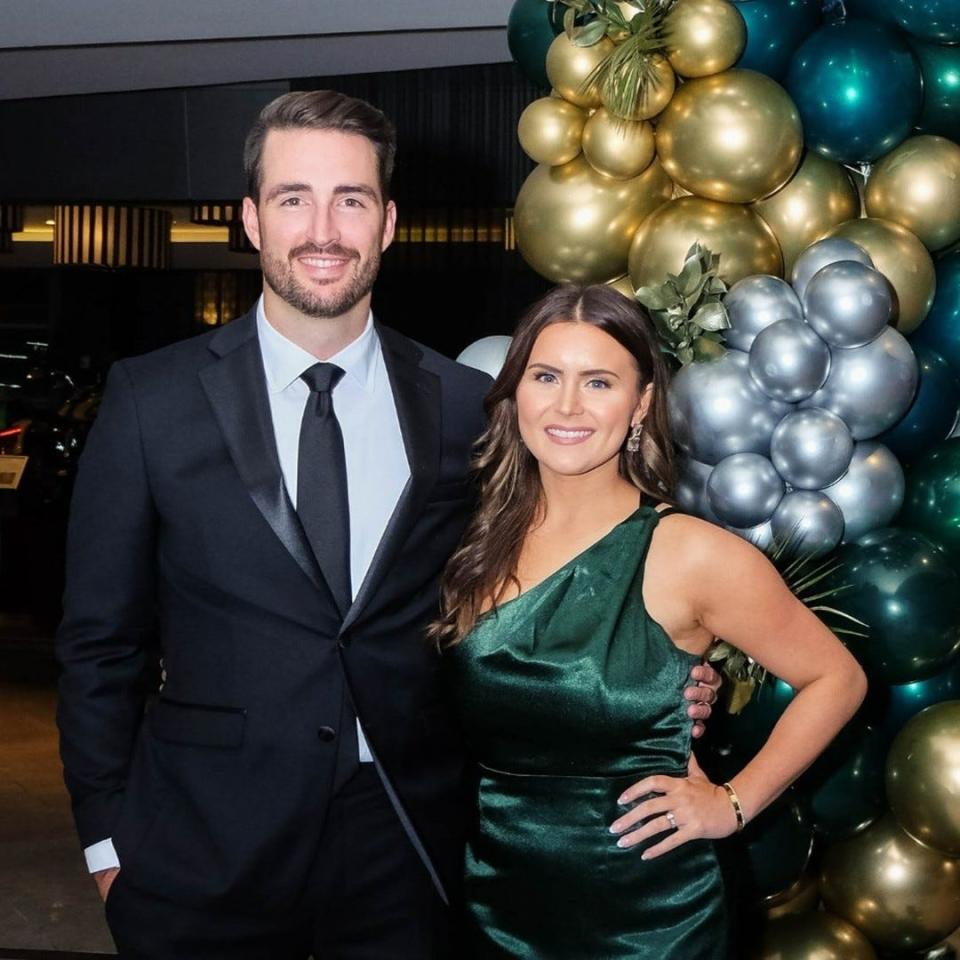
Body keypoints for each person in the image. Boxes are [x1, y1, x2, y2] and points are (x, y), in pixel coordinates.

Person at [55, 92, 720, 958]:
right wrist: (109, 843)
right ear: (252, 219)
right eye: (294, 198)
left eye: (352, 200)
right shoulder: (152, 399)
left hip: (406, 841)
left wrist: (665, 668)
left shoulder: (463, 406)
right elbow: (98, 644)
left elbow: (545, 574)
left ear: (389, 221)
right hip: (198, 843)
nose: (323, 229)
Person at [434, 284, 867, 958]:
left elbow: (836, 679)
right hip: (495, 899)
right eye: (546, 376)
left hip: (651, 918)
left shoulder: (690, 552)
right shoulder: (475, 542)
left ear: (640, 404)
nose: (567, 405)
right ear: (515, 391)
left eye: (599, 381)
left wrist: (733, 802)